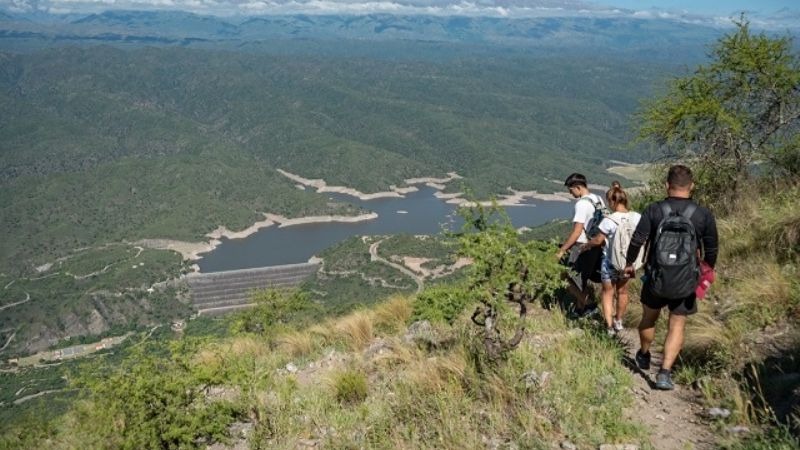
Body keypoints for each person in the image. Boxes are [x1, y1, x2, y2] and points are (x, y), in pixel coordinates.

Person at [623, 165, 718, 390]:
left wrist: (629, 264)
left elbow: (638, 239)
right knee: (677, 325)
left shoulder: (655, 210)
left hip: (656, 277)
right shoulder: (702, 214)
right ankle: (664, 373)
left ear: (667, 185)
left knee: (648, 318)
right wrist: (706, 270)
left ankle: (644, 353)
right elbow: (712, 248)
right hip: (686, 280)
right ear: (691, 186)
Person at [579, 182, 640, 336]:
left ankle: (609, 326)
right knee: (623, 291)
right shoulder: (637, 217)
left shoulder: (609, 220)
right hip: (628, 262)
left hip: (611, 261)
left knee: (608, 293)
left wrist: (587, 245)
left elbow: (599, 240)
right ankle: (619, 320)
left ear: (613, 201)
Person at [556, 173, 605, 318]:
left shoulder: (582, 204)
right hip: (596, 243)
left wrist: (562, 250)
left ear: (578, 187)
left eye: (571, 190)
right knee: (582, 279)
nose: (570, 193)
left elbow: (577, 232)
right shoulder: (598, 199)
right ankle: (579, 310)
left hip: (582, 246)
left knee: (567, 277)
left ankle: (588, 304)